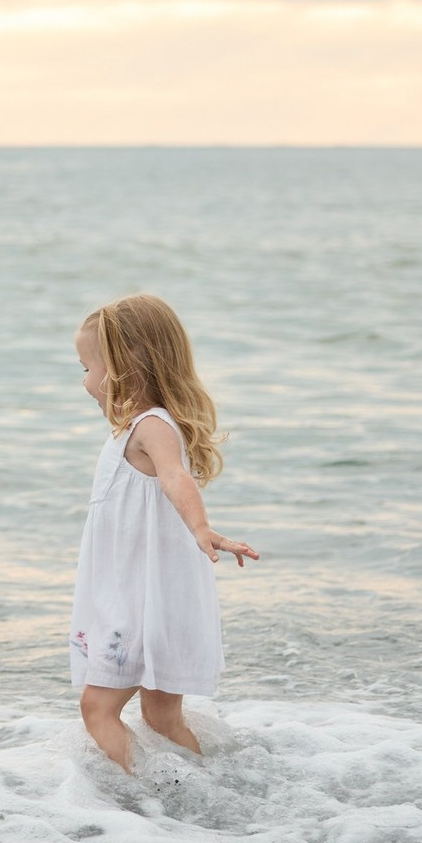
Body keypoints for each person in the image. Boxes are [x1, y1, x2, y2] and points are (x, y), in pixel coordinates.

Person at [70, 294, 257, 773]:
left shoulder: (151, 427)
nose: (84, 381)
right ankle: (201, 790)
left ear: (123, 367)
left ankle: (147, 796)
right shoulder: (145, 426)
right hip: (158, 601)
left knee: (98, 709)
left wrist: (202, 528)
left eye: (87, 366)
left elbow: (176, 477)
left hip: (139, 603)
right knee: (162, 718)